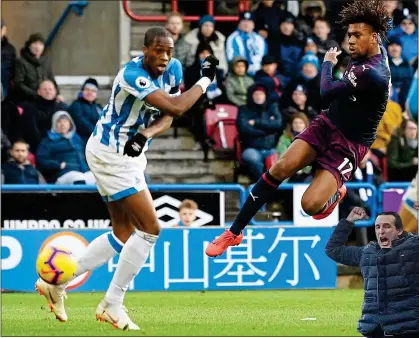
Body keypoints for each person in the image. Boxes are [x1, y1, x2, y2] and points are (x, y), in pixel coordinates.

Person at [35, 27, 219, 330]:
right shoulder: (131, 75)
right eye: (157, 50)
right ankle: (112, 303)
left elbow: (169, 115)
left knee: (123, 232)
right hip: (110, 154)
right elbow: (177, 105)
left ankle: (57, 282)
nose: (163, 57)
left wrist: (145, 134)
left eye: (168, 51)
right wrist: (205, 79)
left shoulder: (171, 69)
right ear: (144, 49)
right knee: (150, 228)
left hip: (127, 153)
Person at [205, 0, 392, 257]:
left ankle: (334, 193)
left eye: (357, 35)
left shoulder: (372, 73)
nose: (350, 40)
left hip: (349, 144)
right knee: (279, 168)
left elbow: (325, 89)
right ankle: (233, 232)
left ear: (373, 37)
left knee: (310, 206)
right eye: (349, 34)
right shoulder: (371, 48)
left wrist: (326, 62)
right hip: (327, 123)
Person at [325, 207, 419, 338]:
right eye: (377, 227)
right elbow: (333, 250)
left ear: (399, 231)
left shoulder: (413, 247)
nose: (381, 231)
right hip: (373, 327)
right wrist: (349, 221)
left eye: (387, 227)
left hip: (406, 328)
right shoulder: (367, 252)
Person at [236, 84, 283, 180]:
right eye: (256, 94)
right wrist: (268, 130)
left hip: (270, 148)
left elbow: (278, 124)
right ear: (251, 96)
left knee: (279, 162)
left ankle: (276, 190)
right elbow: (244, 129)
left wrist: (256, 122)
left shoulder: (272, 108)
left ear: (265, 95)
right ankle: (262, 187)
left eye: (261, 94)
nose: (258, 97)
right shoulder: (244, 109)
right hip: (251, 148)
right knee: (254, 160)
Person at [36, 111, 95, 185]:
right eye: (59, 122)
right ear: (54, 124)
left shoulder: (76, 138)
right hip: (63, 174)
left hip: (84, 172)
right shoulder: (48, 141)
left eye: (65, 121)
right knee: (79, 179)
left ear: (70, 123)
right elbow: (41, 160)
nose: (62, 124)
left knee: (102, 179)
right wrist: (58, 165)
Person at [13, 33, 59, 103]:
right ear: (29, 46)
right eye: (35, 43)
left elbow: (51, 78)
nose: (37, 47)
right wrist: (36, 94)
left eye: (40, 44)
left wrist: (57, 93)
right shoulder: (21, 62)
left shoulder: (46, 61)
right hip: (28, 99)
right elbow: (19, 84)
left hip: (46, 98)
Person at [226, 11, 267, 76]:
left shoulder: (259, 39)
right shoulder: (233, 38)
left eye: (249, 22)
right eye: (244, 21)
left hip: (258, 74)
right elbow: (231, 59)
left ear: (253, 25)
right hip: (240, 74)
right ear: (239, 24)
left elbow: (264, 57)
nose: (246, 24)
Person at [68, 78, 103, 143]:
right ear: (82, 91)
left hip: (98, 140)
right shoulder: (76, 104)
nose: (90, 92)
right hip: (81, 140)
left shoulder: (98, 107)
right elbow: (80, 121)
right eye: (87, 89)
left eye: (93, 91)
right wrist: (96, 132)